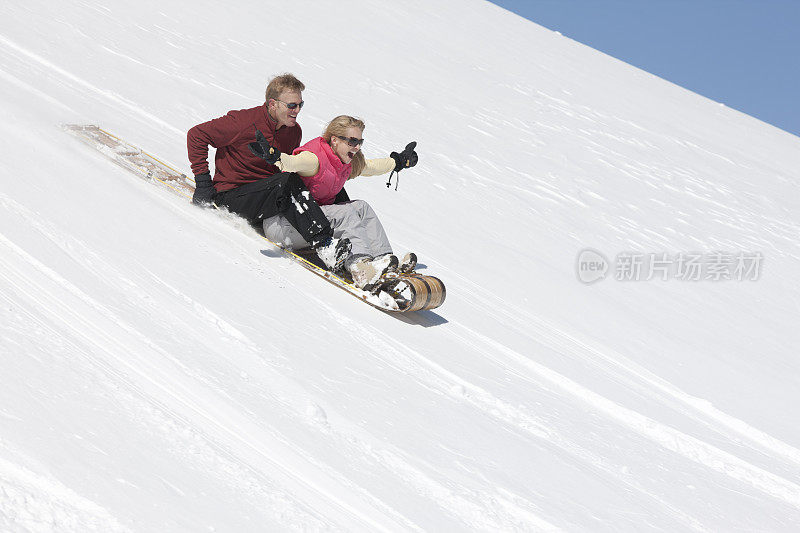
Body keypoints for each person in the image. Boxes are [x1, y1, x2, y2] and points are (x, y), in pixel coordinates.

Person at [186, 73, 351, 271]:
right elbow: (196, 135)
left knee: (328, 181)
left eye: (300, 105)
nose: (297, 110)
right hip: (232, 197)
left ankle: (358, 244)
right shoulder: (243, 122)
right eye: (291, 105)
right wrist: (203, 182)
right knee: (285, 182)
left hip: (268, 199)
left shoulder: (293, 131)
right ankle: (324, 244)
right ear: (273, 104)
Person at [249, 115, 418, 291]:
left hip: (311, 224)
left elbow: (371, 167)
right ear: (335, 140)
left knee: (361, 207)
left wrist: (398, 161)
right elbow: (293, 162)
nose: (357, 147)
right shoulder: (314, 159)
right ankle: (360, 266)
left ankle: (383, 259)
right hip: (283, 227)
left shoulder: (346, 161)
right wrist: (275, 156)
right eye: (352, 141)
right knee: (344, 213)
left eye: (360, 141)